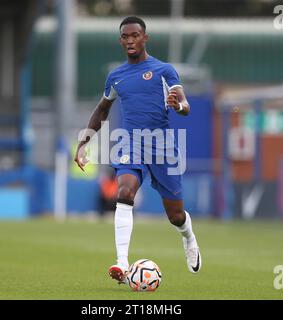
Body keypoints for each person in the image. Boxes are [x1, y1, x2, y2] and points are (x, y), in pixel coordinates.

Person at [74, 16, 201, 284]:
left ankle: (188, 237)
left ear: (145, 38)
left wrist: (177, 105)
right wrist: (85, 140)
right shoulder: (116, 76)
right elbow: (102, 110)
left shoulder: (164, 70)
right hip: (130, 143)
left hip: (163, 147)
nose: (130, 40)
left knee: (175, 216)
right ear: (120, 40)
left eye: (135, 35)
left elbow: (186, 105)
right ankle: (122, 263)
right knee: (124, 191)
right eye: (125, 36)